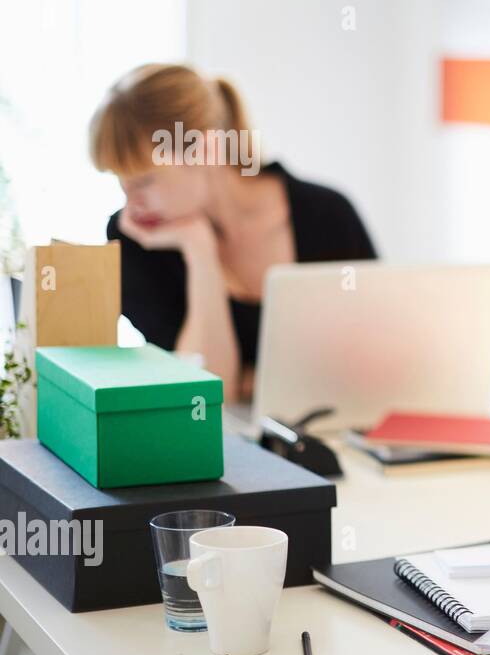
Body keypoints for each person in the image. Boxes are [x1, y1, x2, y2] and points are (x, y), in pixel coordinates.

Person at [89, 63, 376, 401]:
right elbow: (203, 395)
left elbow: (377, 352)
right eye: (120, 182)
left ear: (205, 151)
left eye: (144, 182)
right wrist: (200, 251)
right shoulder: (135, 242)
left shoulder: (327, 215)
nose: (130, 203)